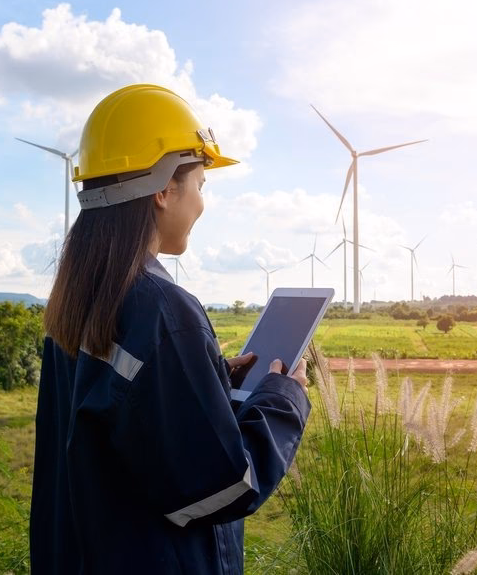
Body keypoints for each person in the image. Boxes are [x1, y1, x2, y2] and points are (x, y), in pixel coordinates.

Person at [30, 84, 311, 574]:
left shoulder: (76, 301)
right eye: (200, 184)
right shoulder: (162, 310)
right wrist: (285, 397)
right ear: (162, 191)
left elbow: (121, 421)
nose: (202, 203)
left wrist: (207, 378)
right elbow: (224, 487)